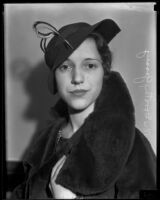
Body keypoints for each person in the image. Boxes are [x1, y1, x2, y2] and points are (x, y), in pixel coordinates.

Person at [11, 19, 156, 199]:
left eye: (89, 65)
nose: (77, 77)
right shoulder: (43, 144)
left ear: (104, 71)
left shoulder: (131, 145)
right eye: (65, 66)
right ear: (55, 79)